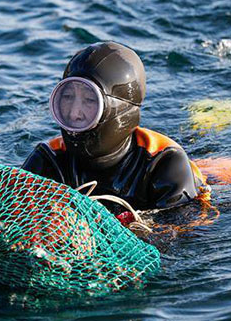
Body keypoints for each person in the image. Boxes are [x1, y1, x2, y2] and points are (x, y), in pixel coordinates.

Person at [22, 41, 207, 210]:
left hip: (205, 178)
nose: (73, 113)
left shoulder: (164, 162)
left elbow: (180, 234)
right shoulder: (49, 159)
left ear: (122, 109)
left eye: (89, 100)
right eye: (68, 98)